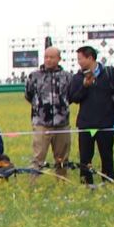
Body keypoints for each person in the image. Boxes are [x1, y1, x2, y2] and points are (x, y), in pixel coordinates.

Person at [67, 44, 114, 185]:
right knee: (85, 158)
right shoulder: (78, 77)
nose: (79, 62)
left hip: (105, 123)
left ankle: (109, 182)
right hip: (86, 124)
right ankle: (87, 184)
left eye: (81, 59)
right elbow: (73, 98)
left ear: (90, 58)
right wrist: (85, 86)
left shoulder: (109, 73)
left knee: (107, 156)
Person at [22, 46, 74, 176]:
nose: (48, 60)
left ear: (59, 59)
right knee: (38, 157)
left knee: (62, 159)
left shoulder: (67, 77)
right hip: (41, 124)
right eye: (46, 57)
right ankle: (32, 187)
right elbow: (29, 95)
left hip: (62, 124)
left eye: (52, 57)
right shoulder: (34, 76)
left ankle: (61, 185)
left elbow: (71, 96)